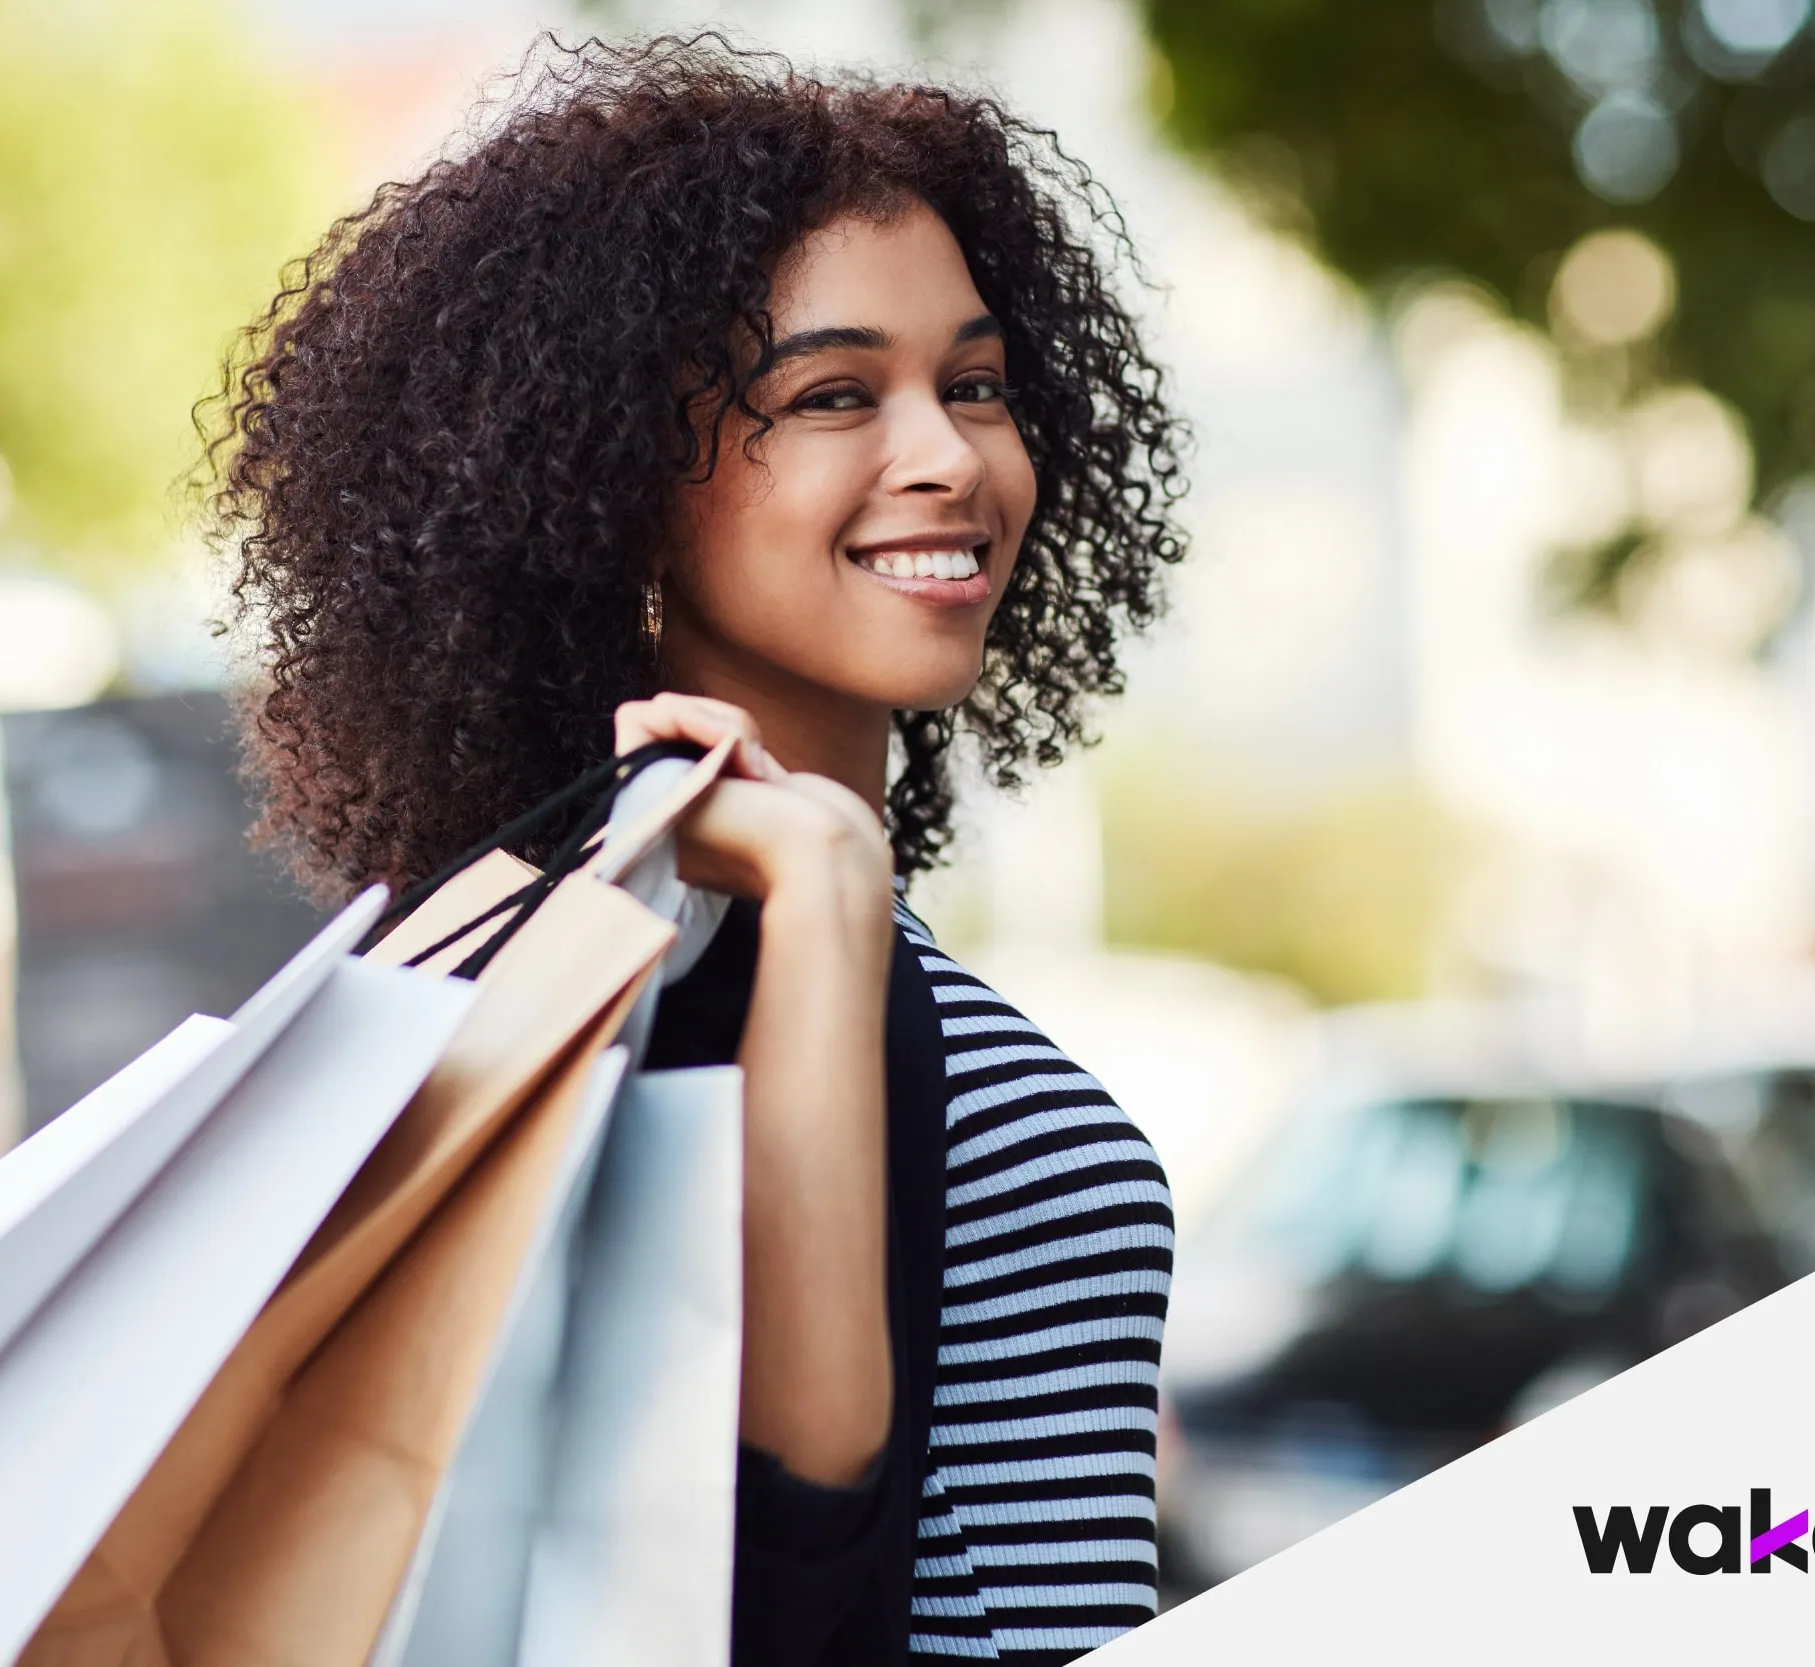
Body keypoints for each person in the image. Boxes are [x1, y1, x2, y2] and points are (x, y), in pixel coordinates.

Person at [215, 36, 1186, 1666]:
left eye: (976, 380)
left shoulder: (665, 934)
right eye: (830, 394)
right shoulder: (623, 966)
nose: (949, 455)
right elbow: (783, 1585)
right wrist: (818, 895)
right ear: (611, 489)